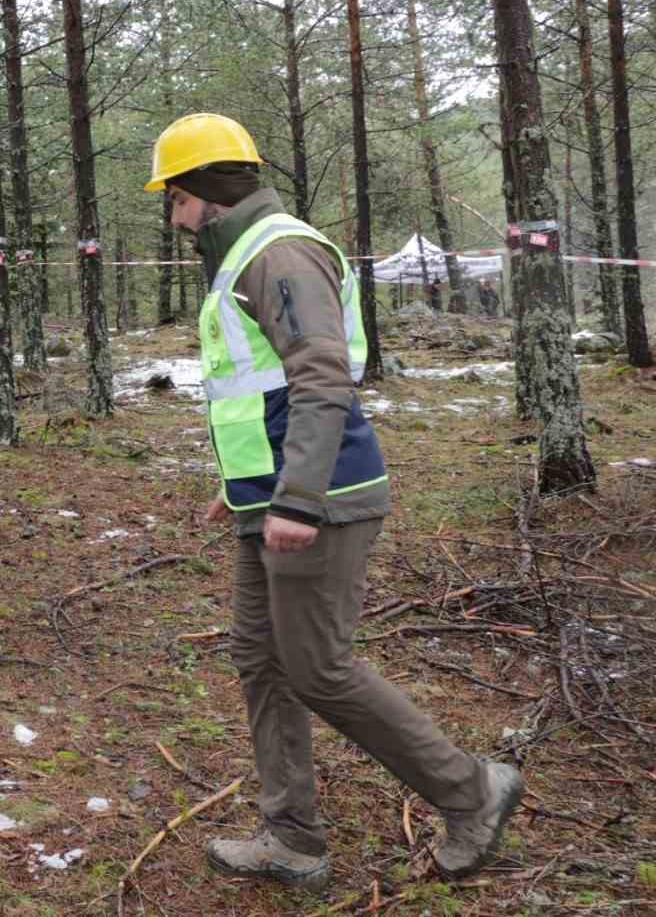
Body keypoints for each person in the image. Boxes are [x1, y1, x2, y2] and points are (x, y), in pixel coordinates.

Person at [144, 113, 522, 892]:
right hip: (270, 501)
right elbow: (261, 394)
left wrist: (299, 499)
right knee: (262, 661)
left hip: (322, 499)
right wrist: (240, 492)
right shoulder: (247, 256)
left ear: (208, 193)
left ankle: (473, 791)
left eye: (176, 199)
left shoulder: (278, 251)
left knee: (316, 667)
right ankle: (294, 841)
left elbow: (320, 379)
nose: (175, 218)